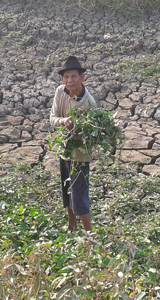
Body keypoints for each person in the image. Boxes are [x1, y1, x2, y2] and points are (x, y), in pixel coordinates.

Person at [50, 56, 99, 232]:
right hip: (64, 151)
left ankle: (89, 235)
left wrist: (81, 134)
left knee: (79, 197)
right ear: (62, 79)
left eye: (73, 76)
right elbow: (53, 119)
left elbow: (96, 135)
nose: (69, 81)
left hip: (80, 156)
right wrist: (63, 121)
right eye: (66, 77)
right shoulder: (59, 92)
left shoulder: (89, 103)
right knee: (67, 192)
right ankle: (71, 226)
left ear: (82, 78)